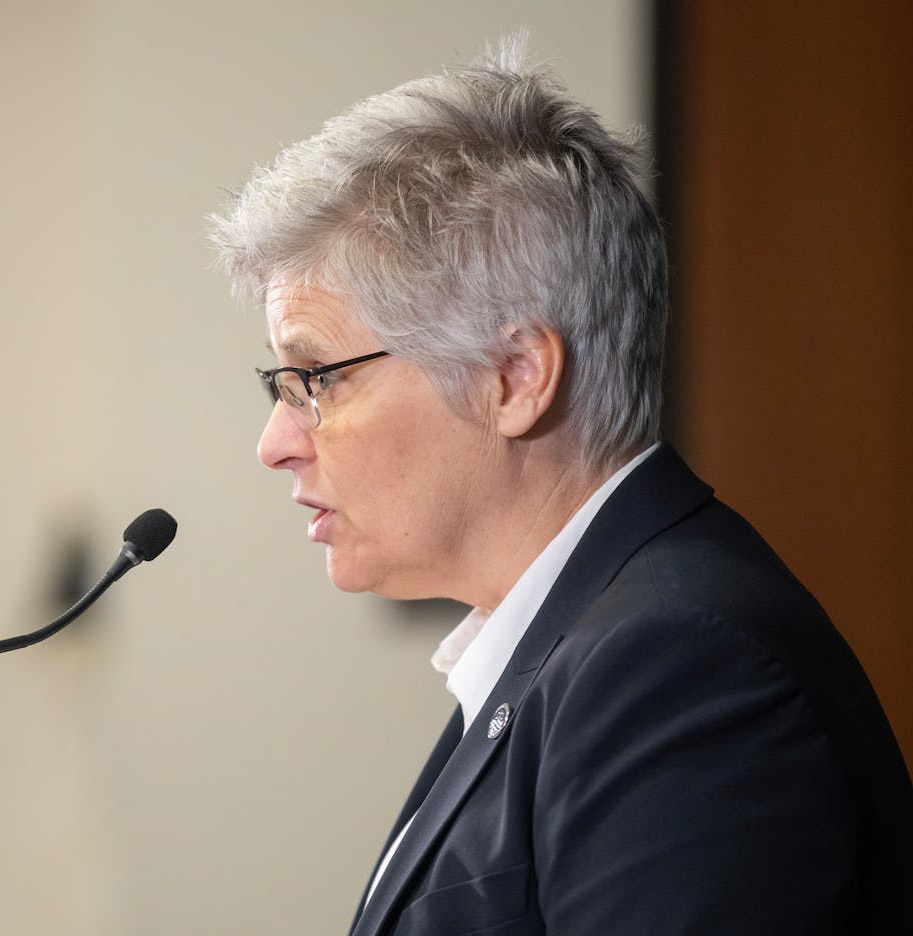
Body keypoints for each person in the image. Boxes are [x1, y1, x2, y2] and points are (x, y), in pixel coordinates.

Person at [210, 38, 913, 935]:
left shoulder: (679, 669)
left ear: (514, 379)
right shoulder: (584, 643)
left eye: (319, 378)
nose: (277, 442)